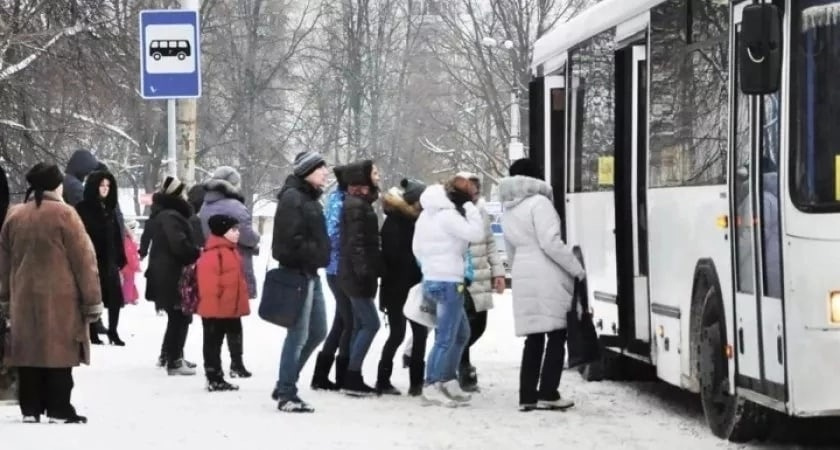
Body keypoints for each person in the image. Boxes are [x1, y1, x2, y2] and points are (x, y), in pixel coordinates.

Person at [0, 163, 103, 424]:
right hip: (61, 299)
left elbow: (4, 263)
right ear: (56, 185)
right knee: (59, 350)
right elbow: (84, 261)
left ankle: (30, 408)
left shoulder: (15, 215)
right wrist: (92, 301)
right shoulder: (65, 214)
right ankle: (58, 408)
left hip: (22, 297)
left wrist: (5, 298)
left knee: (28, 350)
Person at [499, 158, 585, 412]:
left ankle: (527, 396)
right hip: (547, 273)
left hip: (523, 271)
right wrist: (576, 269)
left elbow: (510, 250)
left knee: (533, 337)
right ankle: (548, 392)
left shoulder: (509, 209)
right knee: (557, 334)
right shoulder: (540, 203)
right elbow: (550, 243)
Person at [412, 175, 485, 407]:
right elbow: (476, 234)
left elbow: (416, 248)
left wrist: (430, 266)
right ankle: (432, 384)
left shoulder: (426, 215)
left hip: (434, 278)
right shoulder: (449, 215)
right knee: (445, 338)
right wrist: (470, 208)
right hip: (449, 280)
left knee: (461, 333)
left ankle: (447, 380)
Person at [271, 151, 330, 413]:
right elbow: (287, 242)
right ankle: (287, 393)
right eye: (320, 168)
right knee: (297, 334)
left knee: (318, 331)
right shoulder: (293, 198)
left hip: (311, 273)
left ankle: (285, 381)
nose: (325, 173)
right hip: (297, 273)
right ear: (307, 172)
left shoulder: (309, 197)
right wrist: (316, 252)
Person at [199, 166, 261, 378]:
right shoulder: (236, 206)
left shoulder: (205, 205)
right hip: (234, 259)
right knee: (233, 317)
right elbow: (247, 236)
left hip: (212, 252)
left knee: (216, 324)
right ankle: (235, 363)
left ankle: (221, 366)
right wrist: (256, 238)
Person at [144, 176, 201, 376]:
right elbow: (179, 245)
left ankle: (169, 355)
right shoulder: (172, 216)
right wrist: (195, 252)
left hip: (166, 273)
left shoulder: (166, 214)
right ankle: (175, 360)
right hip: (171, 274)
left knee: (176, 317)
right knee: (180, 317)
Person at [376, 178, 427, 396]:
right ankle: (405, 382)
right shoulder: (402, 223)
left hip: (398, 287)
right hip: (402, 287)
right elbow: (398, 257)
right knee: (408, 334)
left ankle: (405, 382)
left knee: (408, 334)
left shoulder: (401, 221)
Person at [457, 172, 506, 392]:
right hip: (464, 278)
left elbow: (490, 244)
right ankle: (463, 368)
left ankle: (457, 359)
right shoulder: (455, 212)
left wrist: (498, 273)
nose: (475, 191)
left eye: (477, 187)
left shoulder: (482, 213)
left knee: (479, 326)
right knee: (465, 326)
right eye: (471, 187)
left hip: (482, 277)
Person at [338, 160, 382, 396]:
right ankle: (352, 375)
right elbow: (356, 244)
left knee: (358, 325)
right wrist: (365, 272)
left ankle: (349, 375)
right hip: (356, 276)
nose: (378, 176)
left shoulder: (360, 204)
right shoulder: (356, 206)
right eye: (374, 172)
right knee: (371, 324)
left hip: (354, 274)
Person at [196, 214, 251, 392]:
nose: (237, 233)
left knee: (228, 337)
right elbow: (208, 286)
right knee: (213, 342)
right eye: (233, 230)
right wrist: (212, 310)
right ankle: (214, 377)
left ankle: (225, 372)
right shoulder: (213, 254)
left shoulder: (231, 251)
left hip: (229, 307)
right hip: (216, 309)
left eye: (237, 229)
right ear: (222, 231)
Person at [75, 170, 128, 346]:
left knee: (114, 299)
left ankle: (113, 331)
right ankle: (92, 331)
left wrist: (120, 256)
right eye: (102, 185)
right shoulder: (83, 209)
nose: (105, 189)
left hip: (110, 260)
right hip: (92, 259)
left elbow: (116, 234)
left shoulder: (110, 208)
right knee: (92, 296)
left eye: (108, 186)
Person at [311, 163, 351, 391]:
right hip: (338, 268)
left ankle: (322, 374)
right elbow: (332, 234)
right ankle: (339, 373)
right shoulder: (339, 202)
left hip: (338, 267)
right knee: (347, 320)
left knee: (341, 320)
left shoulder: (339, 199)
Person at [121, 220, 141, 306]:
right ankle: (126, 298)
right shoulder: (128, 240)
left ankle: (133, 297)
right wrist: (135, 265)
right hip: (128, 265)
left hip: (126, 264)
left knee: (130, 281)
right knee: (128, 281)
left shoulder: (125, 239)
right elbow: (130, 254)